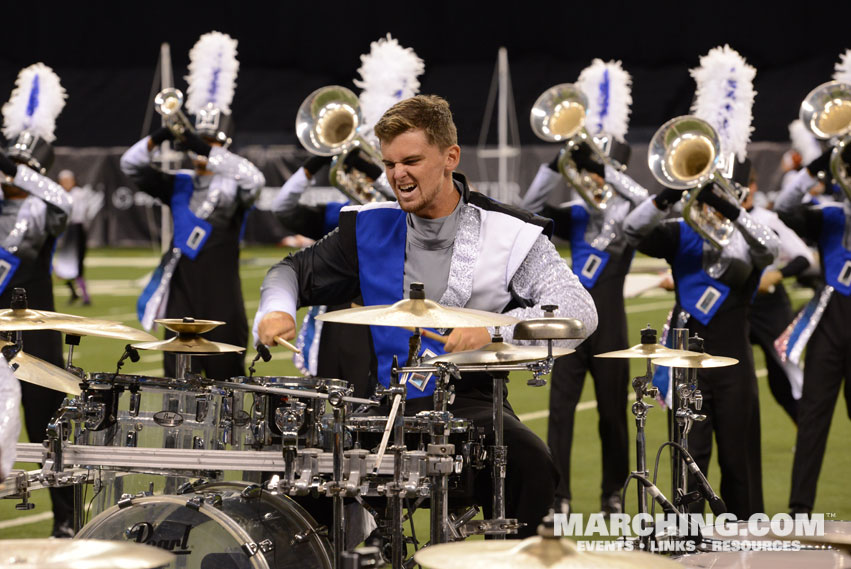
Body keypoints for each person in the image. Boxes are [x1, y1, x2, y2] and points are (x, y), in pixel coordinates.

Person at [256, 95, 598, 538]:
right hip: (371, 406)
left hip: (468, 406)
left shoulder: (511, 233)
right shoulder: (366, 227)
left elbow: (579, 311)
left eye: (412, 160)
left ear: (450, 157)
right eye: (390, 163)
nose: (398, 175)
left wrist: (495, 331)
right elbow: (290, 271)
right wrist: (276, 309)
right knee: (292, 472)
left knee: (531, 462)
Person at [521, 59, 644, 516]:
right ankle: (560, 495)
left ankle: (612, 491)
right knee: (560, 412)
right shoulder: (574, 216)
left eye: (598, 167)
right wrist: (557, 163)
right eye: (589, 167)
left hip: (611, 323)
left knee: (613, 413)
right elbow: (530, 207)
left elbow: (647, 202)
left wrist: (605, 168)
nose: (590, 176)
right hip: (568, 322)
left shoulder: (631, 221)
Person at [121, 31, 265, 380]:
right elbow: (130, 164)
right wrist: (163, 135)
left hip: (223, 301)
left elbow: (255, 180)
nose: (202, 153)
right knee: (177, 386)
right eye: (198, 144)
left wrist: (203, 147)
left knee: (228, 384)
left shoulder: (235, 185)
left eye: (211, 145)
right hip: (181, 301)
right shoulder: (179, 182)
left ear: (223, 147)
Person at [0, 62, 75, 536]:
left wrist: (15, 167)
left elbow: (62, 202)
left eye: (26, 169)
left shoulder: (44, 210)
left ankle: (66, 520)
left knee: (46, 426)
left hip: (35, 332)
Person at [774, 146, 851, 516]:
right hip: (829, 322)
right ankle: (799, 510)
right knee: (813, 418)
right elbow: (786, 207)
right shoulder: (830, 214)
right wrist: (821, 164)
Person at [743, 170, 813, 424]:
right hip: (735, 304)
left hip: (770, 304)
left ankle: (806, 429)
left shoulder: (768, 218)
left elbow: (803, 256)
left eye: (745, 185)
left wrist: (777, 275)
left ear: (753, 186)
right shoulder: (716, 220)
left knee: (785, 374)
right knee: (725, 372)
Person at [53, 169, 103, 305]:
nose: (66, 184)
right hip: (67, 230)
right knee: (63, 267)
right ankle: (74, 293)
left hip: (76, 229)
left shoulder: (78, 194)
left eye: (68, 181)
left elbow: (77, 213)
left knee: (77, 265)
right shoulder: (59, 193)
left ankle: (85, 296)